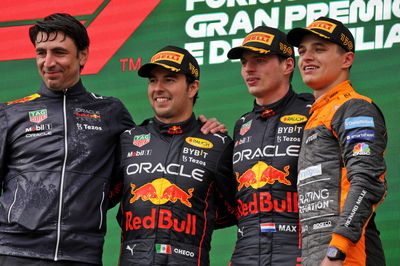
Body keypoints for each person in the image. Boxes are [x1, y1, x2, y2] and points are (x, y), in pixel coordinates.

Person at [0, 13, 223, 266]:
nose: (48, 62)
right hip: (14, 252)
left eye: (59, 52)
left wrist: (198, 129)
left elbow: (140, 162)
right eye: (41, 52)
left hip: (81, 256)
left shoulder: (110, 112)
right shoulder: (10, 113)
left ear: (82, 55)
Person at [117, 45, 237, 266]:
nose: (158, 88)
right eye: (153, 80)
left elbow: (240, 211)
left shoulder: (217, 144)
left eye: (169, 80)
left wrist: (187, 219)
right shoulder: (127, 140)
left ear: (192, 88)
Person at [287, 17, 387, 266]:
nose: (307, 57)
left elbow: (368, 182)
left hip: (349, 257)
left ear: (347, 59)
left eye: (319, 49)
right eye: (302, 51)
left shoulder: (354, 108)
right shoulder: (316, 115)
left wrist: (337, 251)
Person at [226, 26, 314, 265]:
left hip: (301, 251)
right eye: (244, 62)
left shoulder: (314, 111)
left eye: (260, 60)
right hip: (247, 254)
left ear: (288, 65)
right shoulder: (242, 124)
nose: (248, 69)